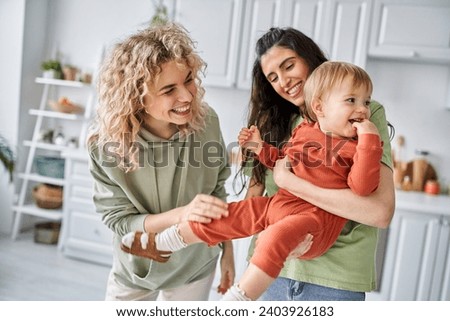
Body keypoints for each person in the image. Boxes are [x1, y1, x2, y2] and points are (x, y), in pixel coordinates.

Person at [120, 61, 384, 301]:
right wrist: (260, 149)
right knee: (229, 214)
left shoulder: (358, 147)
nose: (362, 109)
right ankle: (166, 242)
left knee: (273, 237)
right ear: (319, 107)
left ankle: (240, 298)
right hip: (280, 204)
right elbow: (282, 162)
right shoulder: (305, 131)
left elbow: (362, 187)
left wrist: (369, 142)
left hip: (314, 221)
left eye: (366, 101)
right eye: (352, 100)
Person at [243, 27, 395, 301]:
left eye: (289, 66)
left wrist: (291, 182)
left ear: (310, 58)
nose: (284, 81)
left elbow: (379, 213)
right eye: (273, 77)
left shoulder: (362, 112)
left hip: (334, 279)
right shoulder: (273, 122)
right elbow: (255, 197)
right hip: (272, 273)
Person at [87, 22, 235, 301]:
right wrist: (181, 215)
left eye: (189, 79)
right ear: (136, 97)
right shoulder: (106, 146)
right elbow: (120, 221)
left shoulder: (207, 122)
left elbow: (217, 190)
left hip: (196, 263)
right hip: (137, 266)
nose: (187, 96)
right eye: (169, 90)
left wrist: (228, 253)